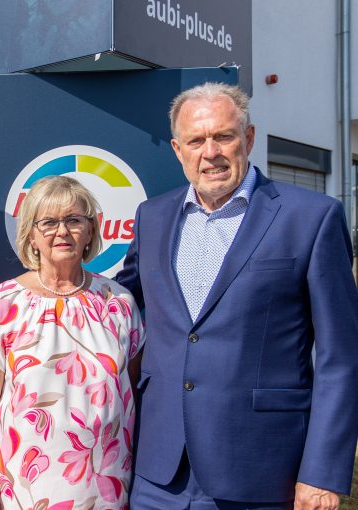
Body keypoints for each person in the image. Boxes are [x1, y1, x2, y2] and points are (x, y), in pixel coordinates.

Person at [116, 82, 358, 509]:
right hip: (159, 473)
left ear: (248, 138)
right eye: (196, 140)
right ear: (177, 149)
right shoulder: (152, 216)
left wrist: (321, 472)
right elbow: (118, 304)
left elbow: (341, 356)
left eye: (223, 136)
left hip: (261, 469)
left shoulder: (312, 218)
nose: (210, 152)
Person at [0, 176, 145, 510]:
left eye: (74, 220)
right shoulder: (1, 306)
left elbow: (134, 394)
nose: (62, 231)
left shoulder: (120, 303)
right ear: (31, 235)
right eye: (48, 222)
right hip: (25, 492)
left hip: (108, 490)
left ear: (90, 231)